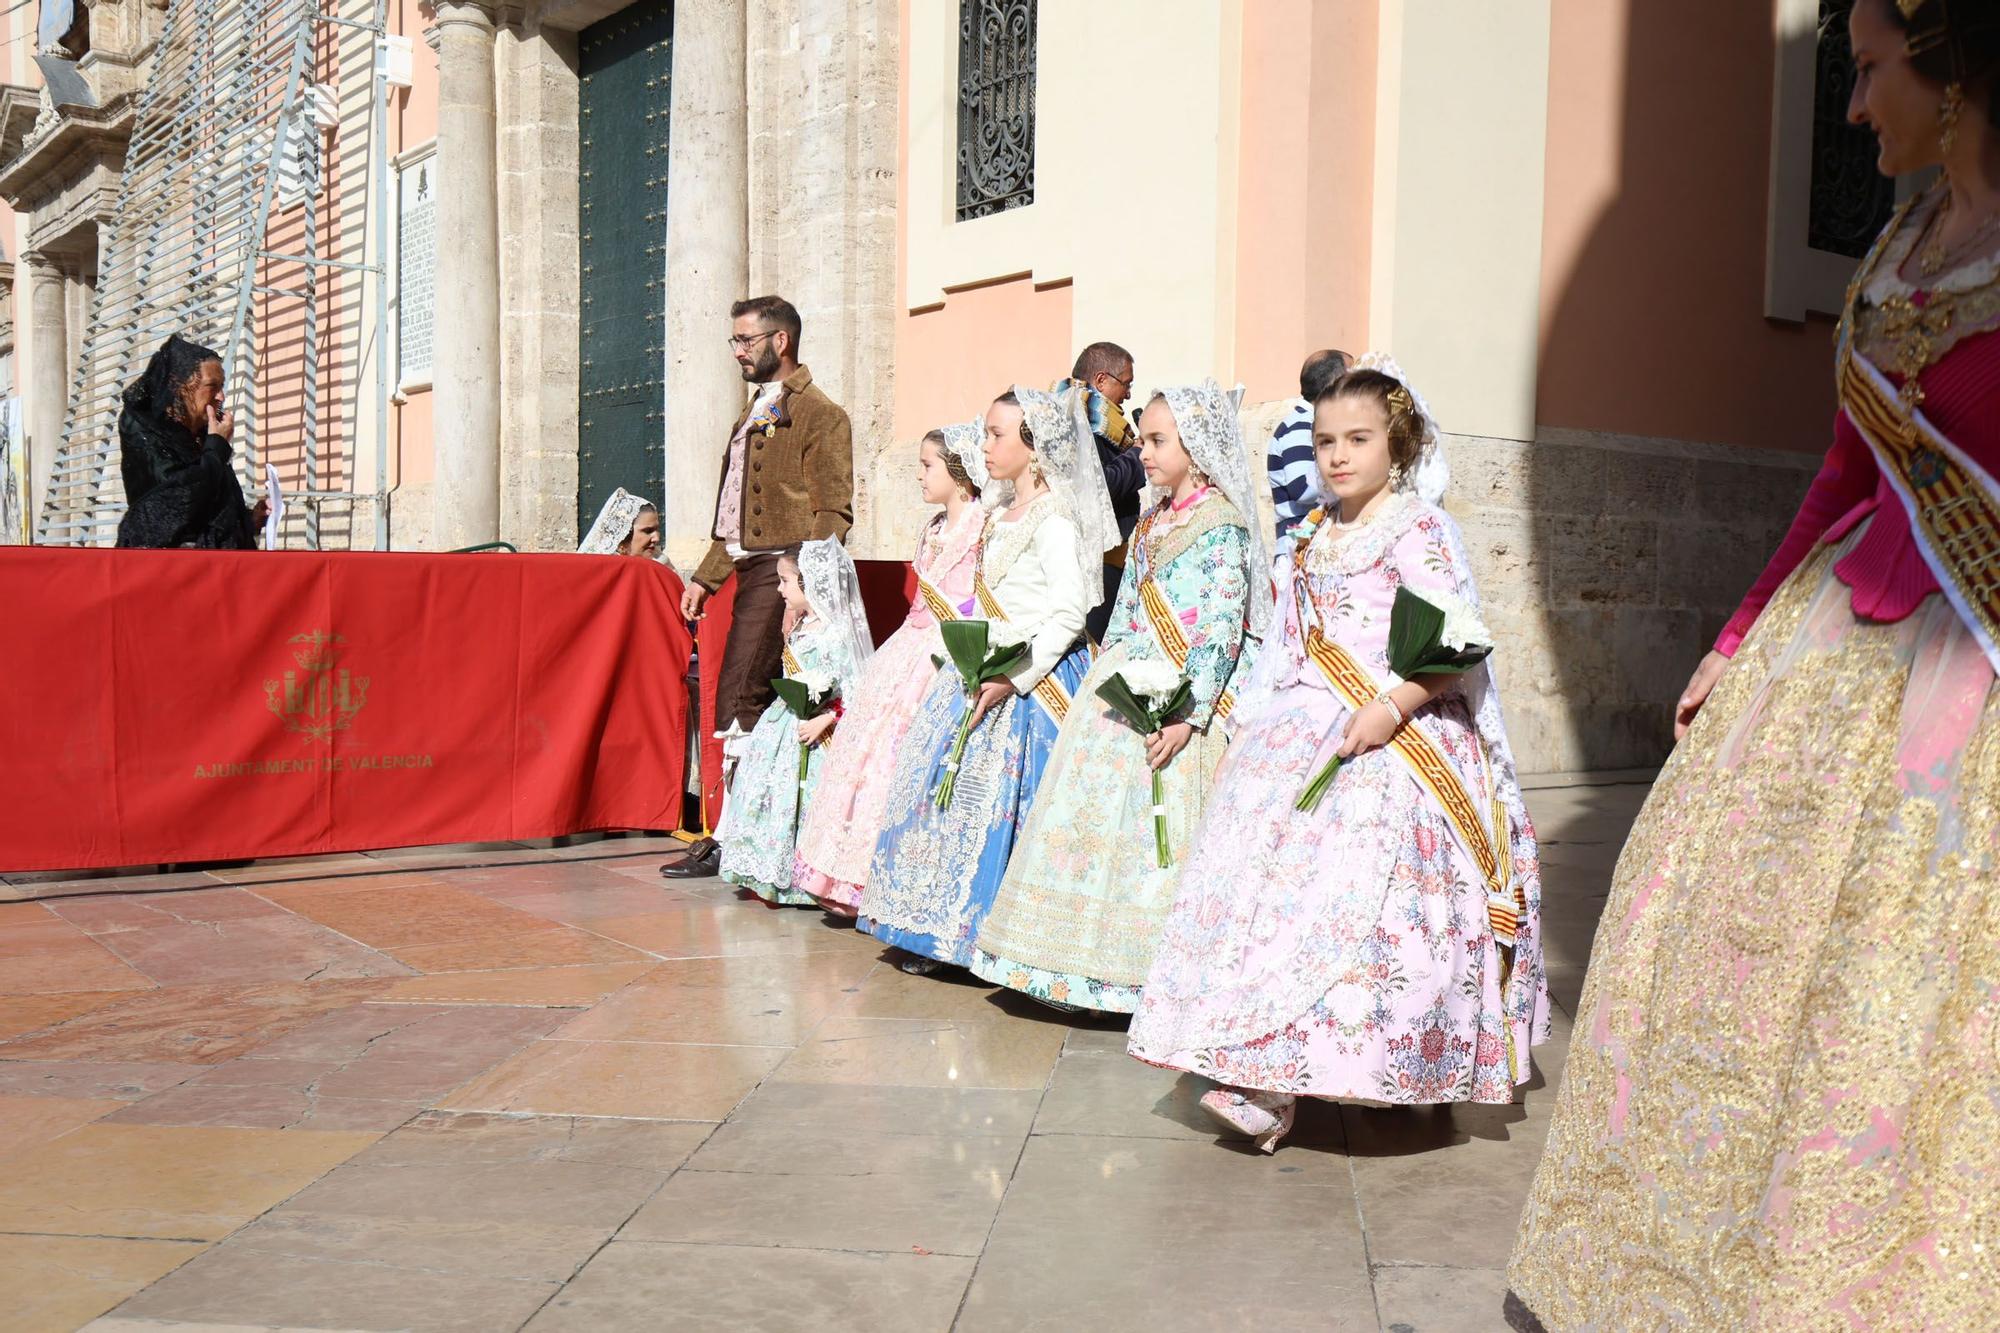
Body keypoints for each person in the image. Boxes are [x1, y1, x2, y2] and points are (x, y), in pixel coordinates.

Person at [1507, 4, 2000, 1327]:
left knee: (1904, 990)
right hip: (1831, 643)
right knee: (1733, 956)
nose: (1854, 106)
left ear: (1954, 70)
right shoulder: (1900, 241)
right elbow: (1845, 464)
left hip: (1972, 680)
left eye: (1874, 67)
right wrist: (1733, 636)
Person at [1125, 356, 1548, 1152]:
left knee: (1353, 890)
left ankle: (1368, 1061)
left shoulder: (1420, 527)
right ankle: (1258, 1065)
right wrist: (1254, 724)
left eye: (1358, 438)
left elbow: (1452, 644)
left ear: (1399, 443)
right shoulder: (1312, 535)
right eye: (1325, 441)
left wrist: (1391, 707)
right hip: (1299, 729)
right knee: (1261, 891)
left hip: (1398, 726)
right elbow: (1287, 645)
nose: (1338, 456)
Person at [971, 379, 1267, 1011]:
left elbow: (1219, 630)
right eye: (1148, 438)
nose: (1147, 452)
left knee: (1165, 829)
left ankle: (1149, 968)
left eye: (1160, 441)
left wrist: (1188, 713)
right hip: (1128, 682)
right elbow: (1129, 603)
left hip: (1186, 691)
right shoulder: (1154, 519)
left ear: (1198, 446)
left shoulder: (1225, 527)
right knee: (1088, 819)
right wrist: (1111, 664)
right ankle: (1069, 960)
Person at [858, 385, 1115, 973]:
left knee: (1001, 806)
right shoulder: (1001, 514)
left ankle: (974, 937)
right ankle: (931, 925)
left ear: (1035, 444)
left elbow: (1069, 615)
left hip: (1030, 680)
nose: (986, 445)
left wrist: (1014, 678)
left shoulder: (1054, 521)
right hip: (983, 671)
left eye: (998, 434)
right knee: (943, 795)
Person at [664, 295, 854, 880]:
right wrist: (706, 575)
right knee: (747, 699)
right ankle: (749, 830)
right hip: (751, 571)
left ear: (781, 341)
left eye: (746, 341)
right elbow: (736, 513)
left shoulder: (820, 414)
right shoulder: (757, 408)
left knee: (745, 695)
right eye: (735, 341)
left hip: (783, 570)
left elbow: (833, 512)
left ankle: (735, 837)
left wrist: (804, 584)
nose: (738, 352)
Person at [793, 420, 989, 916]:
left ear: (958, 470)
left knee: (899, 756)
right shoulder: (934, 527)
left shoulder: (984, 525)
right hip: (908, 645)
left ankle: (877, 880)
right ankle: (840, 876)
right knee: (865, 751)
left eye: (927, 466)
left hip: (945, 650)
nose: (920, 476)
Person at [715, 538, 874, 905]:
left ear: (811, 583)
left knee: (808, 799)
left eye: (785, 581)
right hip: (783, 726)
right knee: (776, 795)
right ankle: (771, 871)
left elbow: (858, 688)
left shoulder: (836, 635)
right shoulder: (800, 628)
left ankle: (804, 878)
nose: (779, 589)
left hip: (817, 733)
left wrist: (828, 718)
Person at [115, 334, 265, 549]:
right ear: (181, 388)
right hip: (174, 571)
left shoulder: (205, 436)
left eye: (222, 386)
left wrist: (249, 520)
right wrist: (217, 446)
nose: (221, 396)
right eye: (212, 386)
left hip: (222, 567)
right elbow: (178, 502)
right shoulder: (144, 429)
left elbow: (211, 512)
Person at [1056, 341, 1149, 642]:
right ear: (1100, 380)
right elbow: (1097, 488)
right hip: (1094, 559)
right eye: (1126, 383)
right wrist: (1136, 457)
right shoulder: (1077, 420)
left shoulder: (1093, 418)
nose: (1129, 394)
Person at [1268, 348, 1350, 540]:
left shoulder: (1313, 422)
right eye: (1351, 376)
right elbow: (1302, 489)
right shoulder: (1300, 427)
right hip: (1297, 545)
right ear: (1335, 382)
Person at [577, 488, 662, 557]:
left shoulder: (662, 567)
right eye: (647, 531)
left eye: (657, 530)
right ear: (623, 538)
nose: (656, 538)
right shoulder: (599, 571)